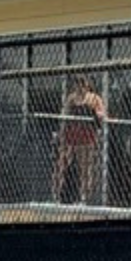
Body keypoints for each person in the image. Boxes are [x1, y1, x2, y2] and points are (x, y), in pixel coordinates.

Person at [51, 75, 106, 204]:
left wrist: (97, 115)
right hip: (71, 134)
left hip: (86, 135)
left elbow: (101, 112)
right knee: (62, 164)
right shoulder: (71, 98)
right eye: (76, 83)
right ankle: (58, 194)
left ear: (86, 85)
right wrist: (61, 132)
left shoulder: (94, 98)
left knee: (85, 167)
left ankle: (84, 197)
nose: (79, 86)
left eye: (81, 83)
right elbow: (64, 115)